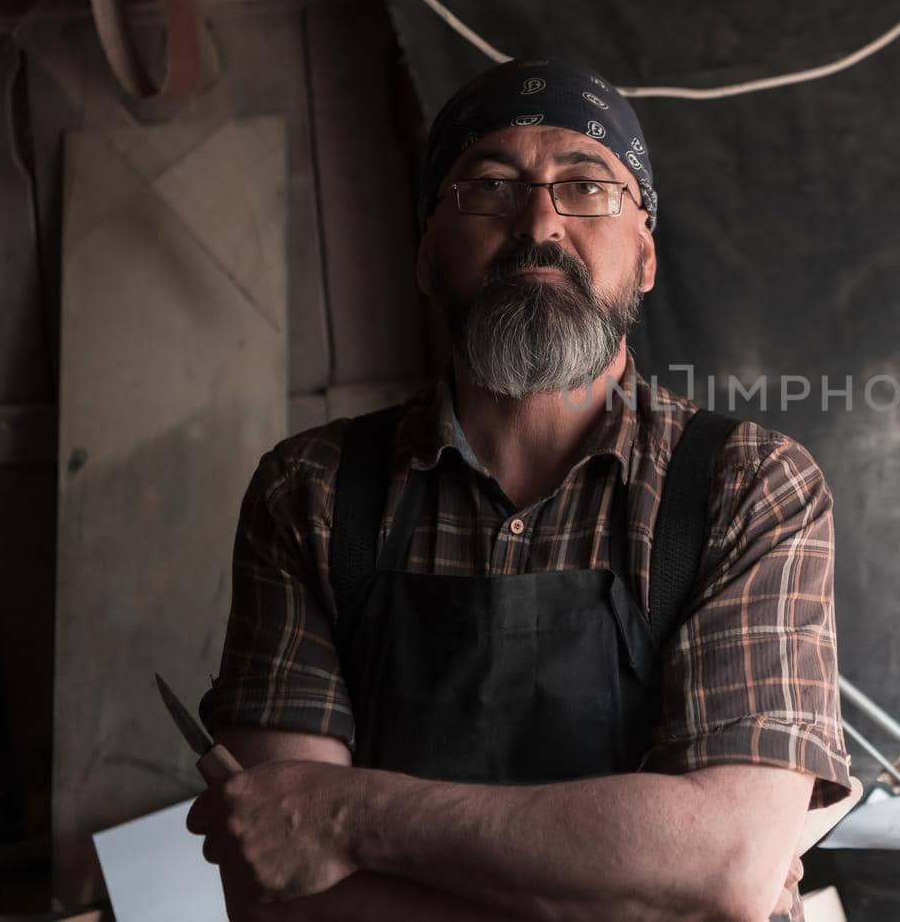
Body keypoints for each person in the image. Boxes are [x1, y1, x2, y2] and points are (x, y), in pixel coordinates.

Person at [187, 58, 853, 921]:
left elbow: (723, 860)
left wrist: (345, 815)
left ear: (645, 256)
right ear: (428, 254)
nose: (540, 221)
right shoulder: (312, 494)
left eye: (586, 185)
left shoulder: (748, 485)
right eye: (491, 185)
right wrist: (646, 888)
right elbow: (278, 892)